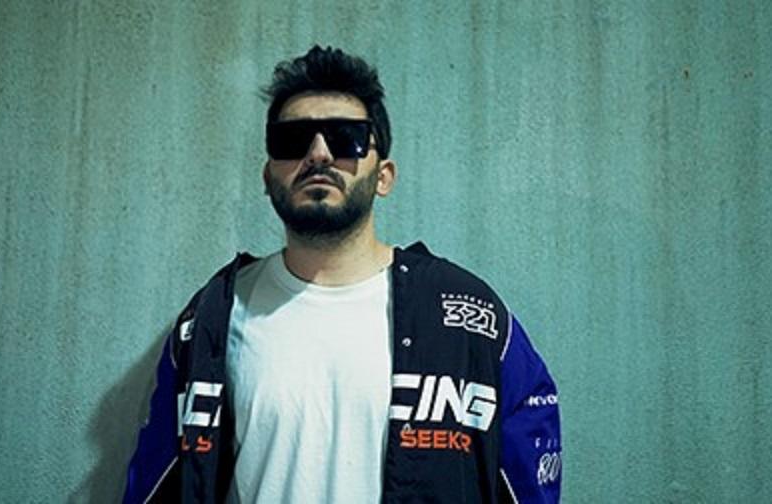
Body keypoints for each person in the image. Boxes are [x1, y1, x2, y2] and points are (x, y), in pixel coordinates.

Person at [123, 45, 561, 503]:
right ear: (268, 176)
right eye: (292, 141)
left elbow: (527, 478)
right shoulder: (215, 314)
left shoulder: (468, 316)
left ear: (384, 176)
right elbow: (156, 482)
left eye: (345, 138)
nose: (318, 154)